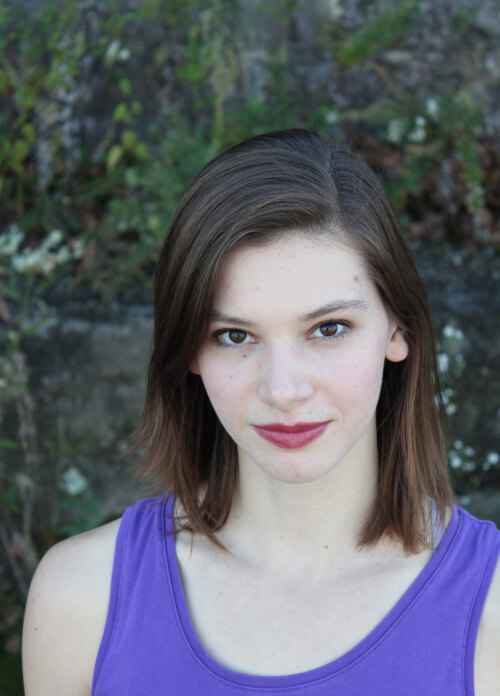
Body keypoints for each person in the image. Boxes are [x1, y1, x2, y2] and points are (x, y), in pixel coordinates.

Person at [22, 129, 500, 695]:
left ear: (398, 330)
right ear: (189, 351)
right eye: (234, 335)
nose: (283, 389)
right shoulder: (82, 597)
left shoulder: (491, 610)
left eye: (329, 328)